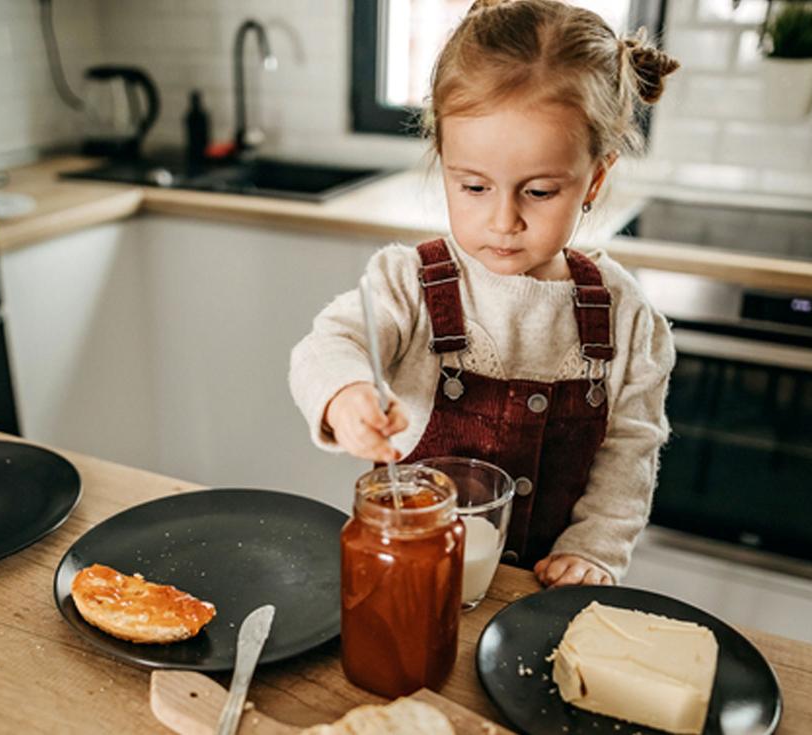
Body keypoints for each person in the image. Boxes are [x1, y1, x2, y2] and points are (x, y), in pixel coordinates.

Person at [289, 0, 680, 588]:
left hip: (539, 592)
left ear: (595, 178)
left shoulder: (626, 319)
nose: (503, 220)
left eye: (540, 192)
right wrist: (344, 395)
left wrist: (593, 551)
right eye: (473, 186)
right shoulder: (410, 282)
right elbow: (329, 343)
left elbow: (630, 455)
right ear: (443, 163)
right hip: (409, 575)